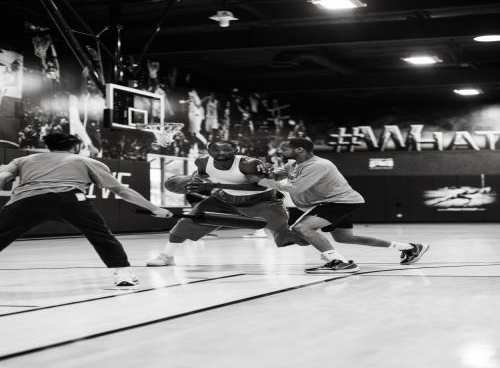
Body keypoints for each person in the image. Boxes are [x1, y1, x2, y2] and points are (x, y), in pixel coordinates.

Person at [0, 132, 172, 286]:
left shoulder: (23, 160)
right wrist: (154, 208)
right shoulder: (86, 161)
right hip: (69, 199)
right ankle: (123, 274)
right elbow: (122, 191)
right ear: (75, 147)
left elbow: (2, 177)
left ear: (48, 146)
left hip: (26, 200)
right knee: (101, 236)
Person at [247, 137, 429, 274]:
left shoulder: (318, 165)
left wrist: (260, 181)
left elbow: (296, 187)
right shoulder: (294, 164)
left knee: (302, 228)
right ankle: (409, 247)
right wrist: (269, 171)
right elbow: (282, 173)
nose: (279, 151)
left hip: (338, 202)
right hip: (336, 202)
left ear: (300, 149)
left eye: (284, 149)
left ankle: (339, 262)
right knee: (345, 238)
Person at [146, 139, 306, 266]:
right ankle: (167, 256)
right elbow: (201, 174)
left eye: (226, 149)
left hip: (261, 201)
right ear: (209, 150)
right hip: (225, 199)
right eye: (215, 149)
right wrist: (192, 180)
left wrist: (214, 185)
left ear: (236, 150)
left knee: (286, 236)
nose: (221, 153)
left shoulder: (249, 163)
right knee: (186, 222)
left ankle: (321, 250)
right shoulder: (202, 162)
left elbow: (258, 187)